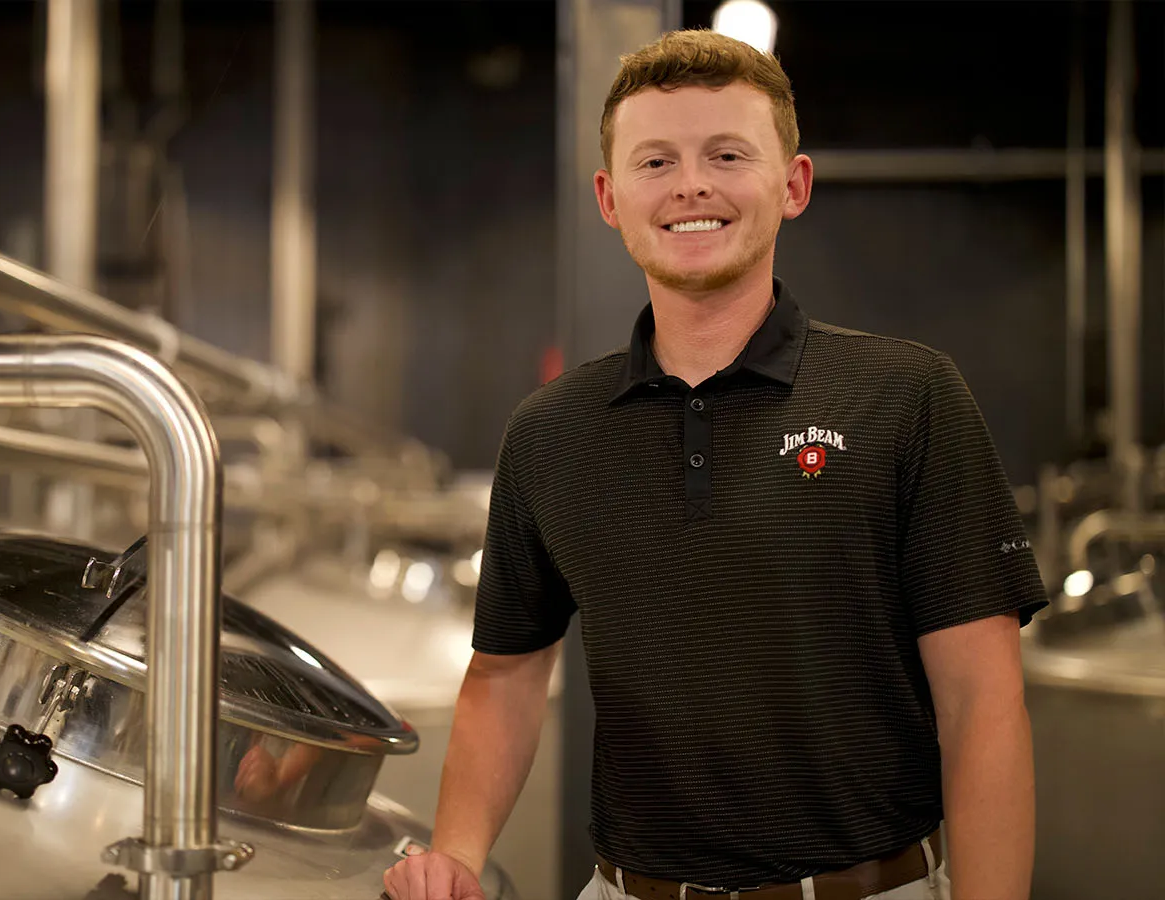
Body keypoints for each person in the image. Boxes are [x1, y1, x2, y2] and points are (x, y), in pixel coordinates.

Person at [382, 28, 1044, 900]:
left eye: (727, 154)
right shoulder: (551, 430)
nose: (691, 184)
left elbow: (981, 703)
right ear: (610, 198)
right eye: (656, 162)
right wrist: (457, 856)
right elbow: (506, 674)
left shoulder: (907, 396)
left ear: (792, 184)